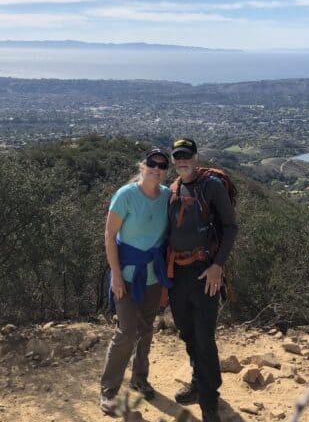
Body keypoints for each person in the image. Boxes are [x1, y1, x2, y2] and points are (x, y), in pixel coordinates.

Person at [167, 138, 238, 422]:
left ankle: (210, 399)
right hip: (179, 272)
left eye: (187, 155)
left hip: (205, 271)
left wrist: (218, 266)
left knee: (205, 338)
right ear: (173, 160)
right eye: (178, 156)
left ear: (196, 157)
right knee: (187, 333)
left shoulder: (212, 187)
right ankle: (198, 382)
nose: (182, 160)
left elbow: (231, 227)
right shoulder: (172, 189)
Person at [99, 147, 172, 417]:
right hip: (127, 275)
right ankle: (108, 390)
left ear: (166, 170)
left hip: (153, 275)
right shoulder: (126, 195)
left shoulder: (166, 196)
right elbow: (109, 235)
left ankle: (140, 378)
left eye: (162, 165)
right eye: (152, 163)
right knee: (127, 332)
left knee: (146, 329)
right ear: (143, 166)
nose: (157, 168)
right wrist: (115, 274)